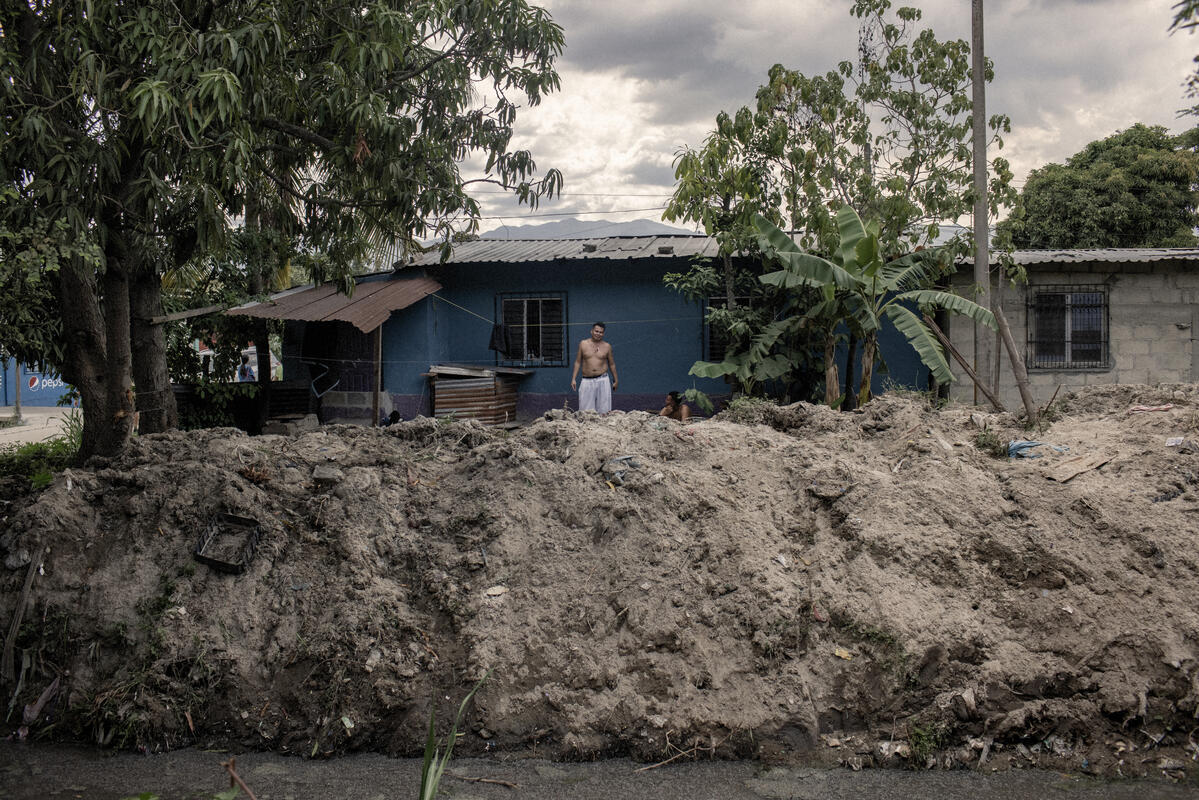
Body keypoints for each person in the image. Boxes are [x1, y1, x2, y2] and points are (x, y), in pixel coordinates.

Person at [570, 322, 618, 413]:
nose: (598, 334)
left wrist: (616, 380)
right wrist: (573, 379)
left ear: (603, 334)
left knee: (604, 410)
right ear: (591, 331)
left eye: (601, 332)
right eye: (596, 331)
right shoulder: (583, 344)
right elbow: (578, 362)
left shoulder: (607, 346)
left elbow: (612, 364)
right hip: (587, 380)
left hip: (603, 379)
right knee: (585, 411)